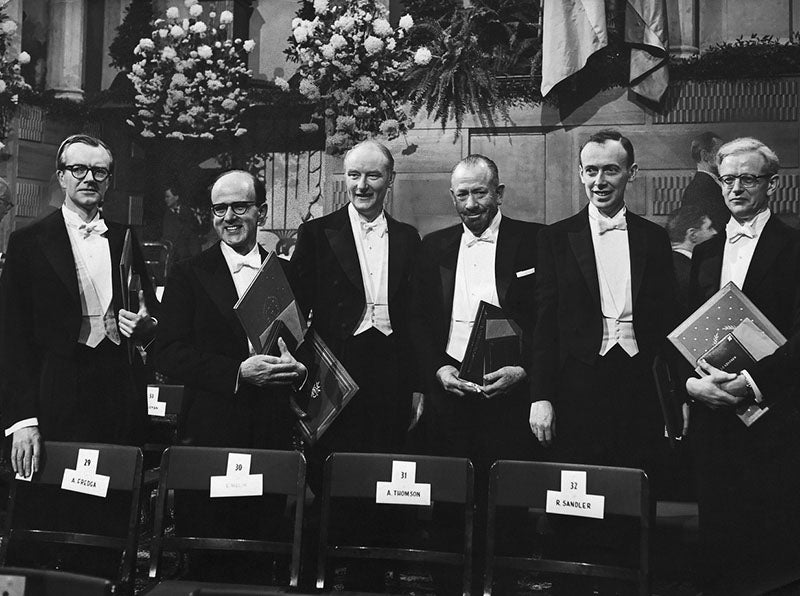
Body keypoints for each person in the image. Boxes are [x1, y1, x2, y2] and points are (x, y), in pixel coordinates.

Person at [0, 133, 158, 575]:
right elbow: (10, 338)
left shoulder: (126, 237)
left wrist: (146, 328)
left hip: (115, 395)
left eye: (100, 172)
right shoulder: (29, 241)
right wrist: (22, 422)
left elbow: (148, 317)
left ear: (109, 181)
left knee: (106, 521)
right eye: (79, 170)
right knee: (44, 522)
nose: (89, 178)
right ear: (61, 177)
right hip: (54, 395)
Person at [529, 130, 677, 595]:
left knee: (633, 494)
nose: (599, 180)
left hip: (638, 384)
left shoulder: (655, 238)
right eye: (590, 170)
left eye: (610, 169)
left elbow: (669, 323)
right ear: (579, 174)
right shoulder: (556, 238)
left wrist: (675, 396)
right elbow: (543, 325)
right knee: (574, 493)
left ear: (631, 174)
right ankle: (572, 580)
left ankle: (628, 583)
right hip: (577, 386)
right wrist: (541, 396)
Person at [155, 170, 306, 582]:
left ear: (262, 210)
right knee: (209, 555)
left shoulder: (290, 273)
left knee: (264, 555)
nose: (229, 217)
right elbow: (167, 351)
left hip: (272, 432)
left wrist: (301, 368)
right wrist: (238, 372)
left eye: (240, 206)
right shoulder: (189, 272)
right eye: (220, 209)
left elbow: (305, 346)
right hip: (209, 431)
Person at [289, 139, 420, 590]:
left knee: (383, 468)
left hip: (391, 371)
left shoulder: (408, 237)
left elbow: (418, 320)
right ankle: (326, 568)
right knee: (331, 470)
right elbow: (294, 310)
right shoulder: (317, 232)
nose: (362, 185)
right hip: (335, 369)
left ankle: (372, 572)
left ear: (390, 180)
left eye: (373, 176)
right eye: (354, 175)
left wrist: (418, 385)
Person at [413, 154, 541, 593]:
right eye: (462, 194)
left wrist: (524, 370)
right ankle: (450, 578)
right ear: (452, 197)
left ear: (499, 193)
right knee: (450, 488)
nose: (470, 203)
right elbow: (419, 321)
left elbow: (549, 320)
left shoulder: (535, 242)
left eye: (480, 192)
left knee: (506, 492)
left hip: (509, 386)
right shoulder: (432, 246)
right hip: (451, 386)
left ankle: (503, 579)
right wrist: (438, 369)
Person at [685, 137, 800, 595]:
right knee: (718, 542)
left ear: (772, 184)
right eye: (727, 179)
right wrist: (693, 386)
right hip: (714, 415)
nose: (735, 188)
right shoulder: (706, 252)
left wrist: (750, 384)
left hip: (774, 414)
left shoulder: (795, 247)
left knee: (771, 555)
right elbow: (684, 334)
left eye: (747, 178)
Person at [666, 204, 717, 310]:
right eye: (709, 228)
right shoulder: (696, 273)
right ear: (692, 235)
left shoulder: (660, 264)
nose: (714, 232)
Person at [681, 131, 728, 233]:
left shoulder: (711, 183)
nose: (725, 159)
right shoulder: (698, 190)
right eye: (721, 154)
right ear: (705, 155)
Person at [161, 184, 202, 263]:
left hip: (189, 254)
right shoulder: (165, 215)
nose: (165, 199)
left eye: (168, 197)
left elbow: (194, 233)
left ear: (176, 197)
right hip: (172, 254)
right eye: (165, 197)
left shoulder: (188, 212)